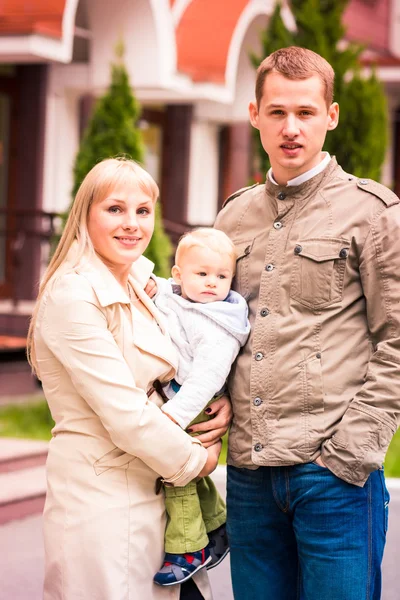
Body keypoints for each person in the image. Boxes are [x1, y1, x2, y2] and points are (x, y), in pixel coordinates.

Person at [214, 46, 400, 600]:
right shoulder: (232, 215)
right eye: (277, 113)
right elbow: (219, 326)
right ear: (254, 115)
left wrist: (349, 455)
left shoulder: (375, 212)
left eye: (305, 112)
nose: (290, 128)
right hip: (248, 474)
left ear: (331, 115)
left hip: (334, 477)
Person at [27, 157, 231, 600]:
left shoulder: (142, 282)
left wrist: (218, 398)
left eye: (143, 211)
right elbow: (127, 415)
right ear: (86, 213)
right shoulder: (73, 295)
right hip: (105, 502)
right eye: (115, 209)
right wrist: (200, 462)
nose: (132, 224)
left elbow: (203, 340)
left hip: (163, 498)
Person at [151, 228, 250, 586]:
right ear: (179, 276)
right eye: (202, 274)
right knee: (187, 472)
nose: (211, 283)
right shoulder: (182, 295)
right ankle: (216, 523)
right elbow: (166, 291)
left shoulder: (217, 325)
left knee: (175, 470)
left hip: (194, 401)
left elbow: (207, 380)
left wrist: (172, 418)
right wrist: (154, 286)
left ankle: (189, 548)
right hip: (179, 393)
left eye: (222, 276)